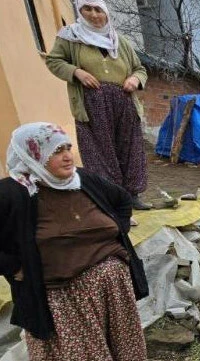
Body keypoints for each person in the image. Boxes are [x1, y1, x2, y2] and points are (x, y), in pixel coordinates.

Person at [0, 122, 150, 361]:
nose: (67, 156)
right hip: (60, 295)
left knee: (127, 352)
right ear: (32, 156)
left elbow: (123, 201)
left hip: (111, 286)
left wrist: (119, 237)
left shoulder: (85, 182)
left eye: (67, 147)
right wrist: (15, 268)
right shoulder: (13, 192)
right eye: (56, 151)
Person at [45, 0, 151, 210]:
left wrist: (135, 80)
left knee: (130, 148)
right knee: (100, 151)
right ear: (80, 11)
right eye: (88, 9)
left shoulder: (120, 41)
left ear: (106, 14)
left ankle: (132, 195)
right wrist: (77, 72)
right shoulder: (70, 37)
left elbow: (140, 68)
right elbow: (54, 61)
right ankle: (109, 197)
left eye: (98, 10)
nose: (94, 15)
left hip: (123, 100)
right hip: (91, 102)